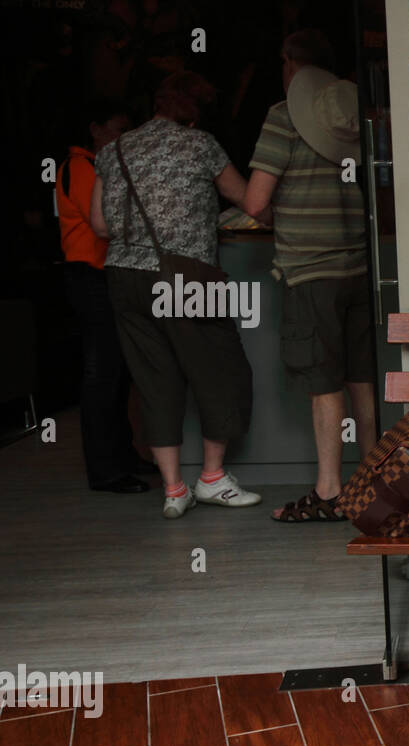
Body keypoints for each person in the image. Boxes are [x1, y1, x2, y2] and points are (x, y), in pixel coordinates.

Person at [91, 71, 261, 519]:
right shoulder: (201, 145)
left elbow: (100, 226)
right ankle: (212, 478)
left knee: (153, 380)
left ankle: (172, 489)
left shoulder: (114, 150)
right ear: (195, 114)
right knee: (221, 369)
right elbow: (248, 200)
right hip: (186, 279)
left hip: (124, 278)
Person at [242, 29, 377, 522]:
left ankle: (329, 492)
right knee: (362, 377)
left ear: (290, 64)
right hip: (361, 269)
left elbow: (255, 202)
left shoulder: (283, 118)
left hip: (309, 270)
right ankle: (372, 483)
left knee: (324, 382)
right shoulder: (354, 114)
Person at [58, 98, 151, 494]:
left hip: (102, 277)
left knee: (116, 372)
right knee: (102, 373)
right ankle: (105, 470)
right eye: (118, 127)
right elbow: (105, 223)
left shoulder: (96, 166)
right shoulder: (81, 168)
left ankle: (122, 455)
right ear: (95, 129)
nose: (124, 136)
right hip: (89, 277)